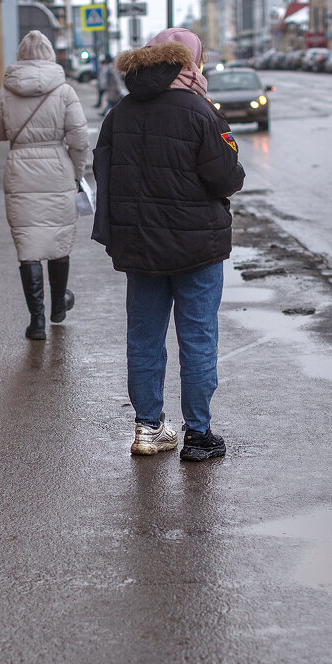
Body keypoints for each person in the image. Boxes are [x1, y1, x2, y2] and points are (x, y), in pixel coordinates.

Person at [92, 28, 245, 460]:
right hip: (197, 247)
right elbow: (226, 176)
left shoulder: (118, 112)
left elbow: (105, 174)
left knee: (143, 338)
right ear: (191, 62)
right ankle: (198, 435)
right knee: (197, 338)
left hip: (140, 247)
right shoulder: (199, 109)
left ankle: (147, 428)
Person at [0, 30, 89, 341]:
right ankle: (59, 306)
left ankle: (37, 322)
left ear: (20, 55)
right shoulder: (64, 91)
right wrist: (77, 173)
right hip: (57, 170)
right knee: (58, 242)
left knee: (28, 246)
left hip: (20, 170)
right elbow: (79, 140)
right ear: (49, 55)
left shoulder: (6, 92)